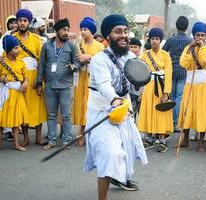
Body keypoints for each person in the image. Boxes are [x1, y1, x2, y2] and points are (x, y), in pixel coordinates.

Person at [83, 14, 147, 200]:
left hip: (123, 113)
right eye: (118, 31)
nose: (123, 35)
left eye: (125, 31)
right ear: (107, 37)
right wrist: (114, 100)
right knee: (110, 154)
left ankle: (120, 178)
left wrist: (139, 81)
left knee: (125, 152)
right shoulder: (99, 60)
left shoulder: (129, 57)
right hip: (102, 113)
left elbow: (135, 84)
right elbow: (104, 84)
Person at [37, 18, 79, 150]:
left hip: (66, 86)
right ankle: (52, 141)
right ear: (57, 31)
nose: (66, 32)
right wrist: (39, 83)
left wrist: (73, 66)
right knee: (51, 115)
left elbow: (77, 62)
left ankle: (66, 141)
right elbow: (42, 64)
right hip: (50, 86)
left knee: (66, 115)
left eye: (68, 29)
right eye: (64, 29)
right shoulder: (47, 46)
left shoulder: (72, 46)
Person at [176, 22, 206, 152]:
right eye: (197, 35)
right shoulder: (189, 47)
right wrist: (189, 49)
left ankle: (201, 142)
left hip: (203, 85)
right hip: (190, 84)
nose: (199, 38)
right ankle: (185, 139)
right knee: (187, 110)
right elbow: (183, 63)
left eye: (202, 35)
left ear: (205, 36)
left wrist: (202, 47)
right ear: (193, 36)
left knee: (201, 112)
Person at [14, 9, 47, 147]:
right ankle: (26, 138)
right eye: (20, 20)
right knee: (23, 107)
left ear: (29, 22)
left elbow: (41, 61)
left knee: (38, 108)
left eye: (25, 20)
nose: (22, 23)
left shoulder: (36, 39)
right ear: (17, 22)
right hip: (20, 78)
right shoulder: (12, 38)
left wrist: (39, 81)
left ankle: (38, 137)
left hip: (34, 77)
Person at [138, 27, 173, 153]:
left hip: (161, 86)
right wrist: (141, 91)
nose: (154, 41)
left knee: (161, 112)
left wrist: (166, 93)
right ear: (149, 40)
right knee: (148, 110)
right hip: (148, 86)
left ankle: (162, 139)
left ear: (160, 40)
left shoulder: (165, 56)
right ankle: (148, 138)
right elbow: (141, 73)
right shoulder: (144, 55)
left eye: (157, 39)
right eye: (152, 38)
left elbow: (168, 74)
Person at [0, 35, 28, 152]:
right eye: (16, 48)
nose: (19, 50)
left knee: (16, 119)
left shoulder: (21, 63)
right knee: (0, 119)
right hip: (5, 94)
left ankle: (16, 144)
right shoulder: (0, 63)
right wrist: (1, 80)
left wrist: (25, 83)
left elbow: (25, 76)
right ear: (8, 50)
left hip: (17, 94)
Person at [72, 17, 104, 147]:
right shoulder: (78, 45)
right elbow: (74, 59)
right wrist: (80, 60)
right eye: (81, 29)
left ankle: (93, 134)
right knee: (80, 105)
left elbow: (103, 62)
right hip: (81, 77)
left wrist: (90, 58)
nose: (83, 32)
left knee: (91, 105)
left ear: (91, 31)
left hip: (93, 79)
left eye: (85, 29)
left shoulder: (100, 46)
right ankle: (81, 132)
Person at [162, 16, 192, 132]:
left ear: (176, 25)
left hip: (171, 71)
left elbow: (163, 52)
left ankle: (169, 122)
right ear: (186, 26)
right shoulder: (190, 41)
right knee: (179, 97)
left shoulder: (171, 40)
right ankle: (176, 123)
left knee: (172, 96)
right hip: (183, 71)